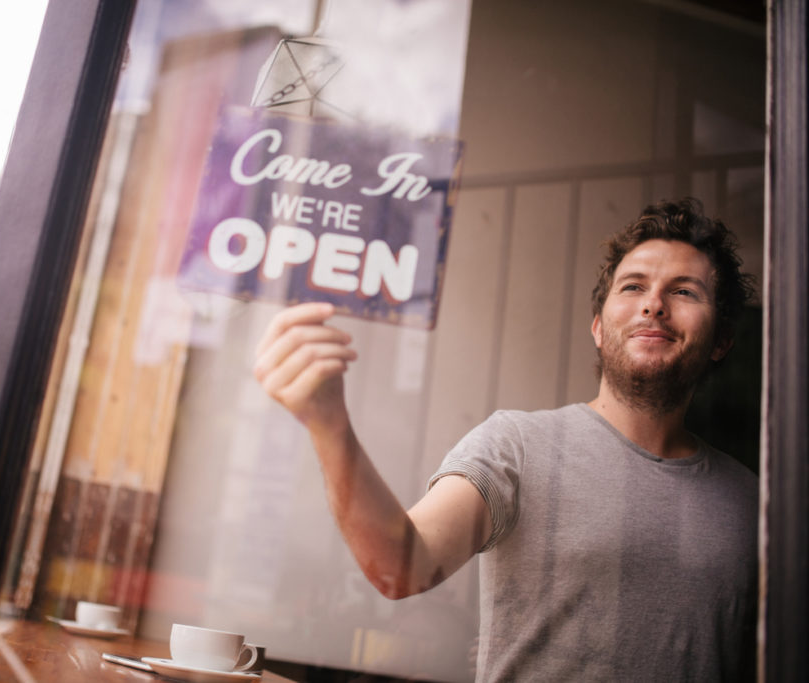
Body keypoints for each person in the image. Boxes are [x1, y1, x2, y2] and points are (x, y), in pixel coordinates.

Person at [253, 198, 758, 681]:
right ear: (599, 328)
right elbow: (400, 568)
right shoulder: (517, 445)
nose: (654, 305)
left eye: (685, 291)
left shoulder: (753, 502)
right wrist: (331, 426)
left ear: (721, 341)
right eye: (633, 287)